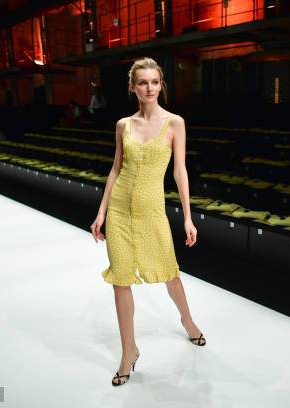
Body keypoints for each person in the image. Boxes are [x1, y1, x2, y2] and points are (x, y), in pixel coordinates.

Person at [89, 57, 205, 387]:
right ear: (133, 87)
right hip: (121, 212)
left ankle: (188, 320)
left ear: (161, 85)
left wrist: (187, 217)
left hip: (152, 210)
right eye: (143, 82)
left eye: (155, 82)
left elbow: (180, 171)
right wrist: (101, 213)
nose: (149, 88)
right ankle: (129, 351)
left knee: (169, 273)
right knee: (121, 279)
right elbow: (115, 170)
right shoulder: (123, 125)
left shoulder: (175, 123)